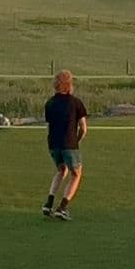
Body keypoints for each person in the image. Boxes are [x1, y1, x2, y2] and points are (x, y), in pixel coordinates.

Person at [42, 69, 88, 220]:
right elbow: (83, 128)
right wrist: (77, 140)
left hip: (54, 145)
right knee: (76, 173)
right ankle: (62, 207)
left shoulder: (49, 103)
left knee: (62, 170)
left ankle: (48, 203)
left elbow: (50, 125)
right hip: (69, 144)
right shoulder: (76, 103)